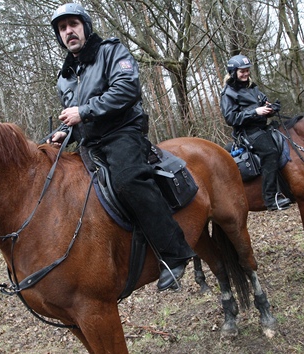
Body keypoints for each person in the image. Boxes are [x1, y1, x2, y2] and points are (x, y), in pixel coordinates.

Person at [48, 3, 195, 291]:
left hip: (122, 132)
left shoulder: (110, 51)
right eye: (62, 28)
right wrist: (62, 132)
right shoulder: (64, 76)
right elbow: (73, 116)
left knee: (128, 180)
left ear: (85, 26)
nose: (69, 31)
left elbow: (126, 88)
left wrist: (84, 110)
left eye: (73, 24)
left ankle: (174, 253)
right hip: (90, 143)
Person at [220, 54, 291, 211]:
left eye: (247, 70)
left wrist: (271, 108)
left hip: (263, 127)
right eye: (242, 71)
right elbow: (231, 118)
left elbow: (262, 104)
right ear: (233, 72)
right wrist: (255, 112)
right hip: (247, 132)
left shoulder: (252, 87)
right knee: (270, 152)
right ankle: (271, 198)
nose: (245, 74)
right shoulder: (228, 93)